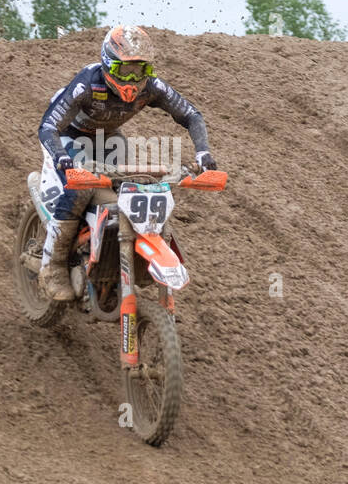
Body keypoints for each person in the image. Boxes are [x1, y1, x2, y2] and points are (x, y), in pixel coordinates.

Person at [36, 25, 216, 301]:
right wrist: (62, 157)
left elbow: (191, 115)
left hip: (108, 139)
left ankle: (111, 260)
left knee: (130, 190)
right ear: (109, 65)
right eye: (125, 71)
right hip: (67, 137)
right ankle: (54, 266)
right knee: (80, 187)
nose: (133, 80)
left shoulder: (153, 87)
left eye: (140, 71)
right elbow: (48, 126)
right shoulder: (87, 83)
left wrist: (203, 153)